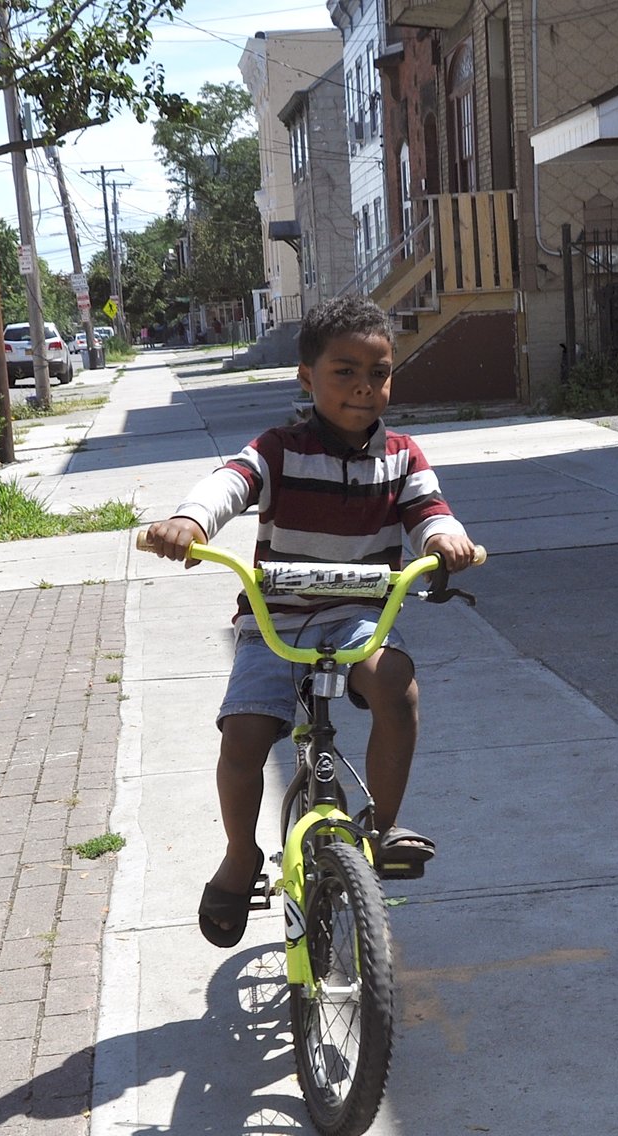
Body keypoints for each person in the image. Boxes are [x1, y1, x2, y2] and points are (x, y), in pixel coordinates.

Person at [145, 296, 482, 947]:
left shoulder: (403, 456)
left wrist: (446, 540)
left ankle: (382, 827)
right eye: (344, 372)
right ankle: (240, 856)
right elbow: (232, 481)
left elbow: (431, 511)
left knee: (397, 685)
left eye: (379, 373)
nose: (364, 387)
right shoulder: (281, 448)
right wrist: (190, 521)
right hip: (277, 621)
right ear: (307, 377)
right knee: (243, 737)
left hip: (358, 617)